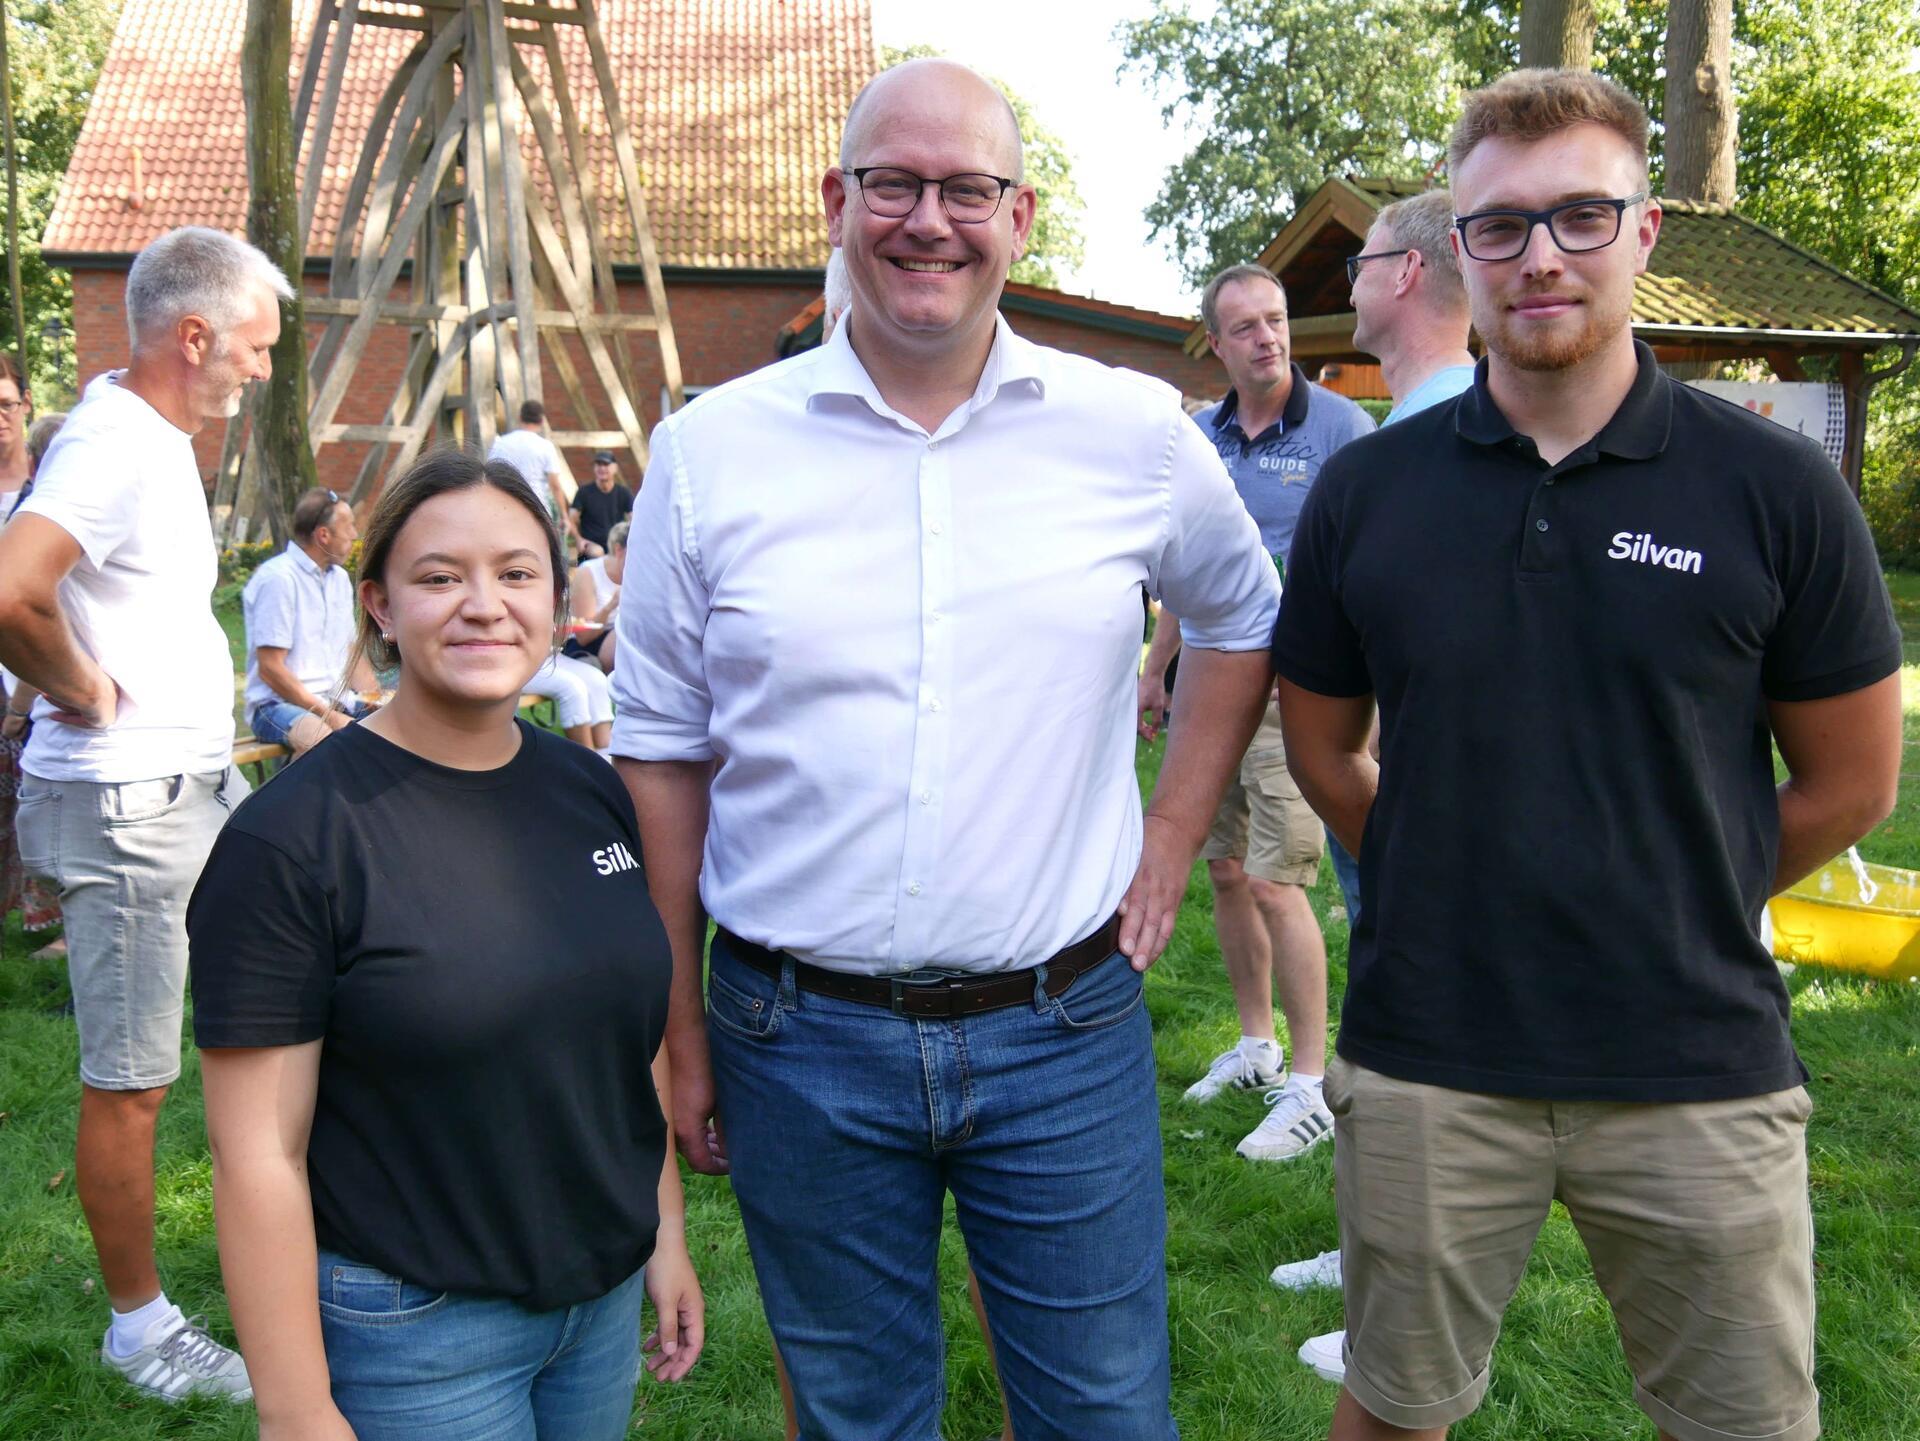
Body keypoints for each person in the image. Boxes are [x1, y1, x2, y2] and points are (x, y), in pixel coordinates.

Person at [614, 57, 1278, 1440]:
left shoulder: (1131, 436)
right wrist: (679, 1024)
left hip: (1064, 1025)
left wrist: (1171, 831)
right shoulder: (712, 451)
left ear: (1021, 215)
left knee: (1104, 1414)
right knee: (856, 1420)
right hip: (797, 1035)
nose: (930, 220)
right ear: (837, 202)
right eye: (895, 185)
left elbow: (1240, 616)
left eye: (966, 188)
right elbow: (661, 753)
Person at [1274, 68, 1902, 1441]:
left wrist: (1690, 872)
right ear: (1462, 251)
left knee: (1744, 1422)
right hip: (1432, 1050)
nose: (1540, 254)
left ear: (1646, 231)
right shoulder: (1370, 492)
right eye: (1500, 226)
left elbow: (1856, 783)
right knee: (1390, 1407)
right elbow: (1321, 748)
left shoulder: (1774, 491)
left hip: (1697, 1053)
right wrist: (1446, 859)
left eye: (1581, 215)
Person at [189, 449, 702, 1441]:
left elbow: (626, 1041)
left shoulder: (588, 791)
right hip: (416, 1328)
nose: (483, 605)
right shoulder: (293, 840)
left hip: (597, 1299)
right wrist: (295, 1409)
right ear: (379, 606)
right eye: (439, 577)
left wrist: (665, 1234)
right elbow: (256, 1150)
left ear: (559, 601)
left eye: (516, 573)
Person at [0, 225, 288, 1402]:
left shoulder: (146, 433)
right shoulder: (117, 445)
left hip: (184, 789)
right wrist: (76, 691)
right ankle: (139, 1330)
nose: (262, 371)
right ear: (195, 335)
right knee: (131, 1080)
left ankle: (279, 1243)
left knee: (262, 1020)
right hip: (128, 808)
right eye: (256, 348)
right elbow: (15, 586)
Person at [1270, 188, 1478, 1341]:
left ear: (1404, 275)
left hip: (1415, 806)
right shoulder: (1412, 434)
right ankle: (1371, 1250)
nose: (1343, 288)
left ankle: (1395, 1293)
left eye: (1360, 268)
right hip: (1388, 797)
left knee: (1424, 1048)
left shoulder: (1451, 442)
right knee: (1386, 1022)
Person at [1137, 263, 1373, 1161]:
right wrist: (1156, 672)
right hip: (1208, 691)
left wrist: (1369, 697)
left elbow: (1375, 572)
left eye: (1276, 321)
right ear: (1218, 342)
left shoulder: (1344, 430)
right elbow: (1181, 575)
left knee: (1281, 883)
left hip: (1299, 697)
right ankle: (1255, 1046)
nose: (1267, 337)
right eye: (1245, 327)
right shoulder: (1199, 439)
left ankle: (1311, 1084)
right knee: (1228, 873)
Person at [2, 409, 68, 959]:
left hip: (51, 694)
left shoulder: (46, 517)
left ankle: (67, 928)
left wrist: (20, 707)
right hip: (49, 692)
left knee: (43, 812)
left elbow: (37, 617)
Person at [243, 487, 378, 756]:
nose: (355, 534)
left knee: (400, 728)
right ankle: (290, 799)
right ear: (323, 535)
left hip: (335, 699)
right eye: (349, 526)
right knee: (322, 741)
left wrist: (377, 699)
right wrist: (328, 715)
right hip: (276, 705)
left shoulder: (339, 579)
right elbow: (271, 669)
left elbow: (348, 650)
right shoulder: (279, 579)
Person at [489, 399, 581, 551]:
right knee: (536, 550)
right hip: (537, 505)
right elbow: (555, 485)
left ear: (520, 417)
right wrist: (564, 515)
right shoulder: (545, 446)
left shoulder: (500, 443)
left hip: (505, 503)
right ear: (541, 420)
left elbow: (490, 475)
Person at [567, 519, 626, 674]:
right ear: (619, 550)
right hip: (587, 645)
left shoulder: (638, 574)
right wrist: (611, 605)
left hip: (618, 641)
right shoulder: (589, 572)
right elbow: (583, 636)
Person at [570, 451, 634, 559]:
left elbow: (633, 520)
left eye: (606, 464)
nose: (602, 468)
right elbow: (571, 519)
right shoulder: (584, 492)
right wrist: (579, 540)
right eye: (598, 464)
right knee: (597, 552)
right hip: (592, 546)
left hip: (616, 545)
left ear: (615, 468)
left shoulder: (624, 492)